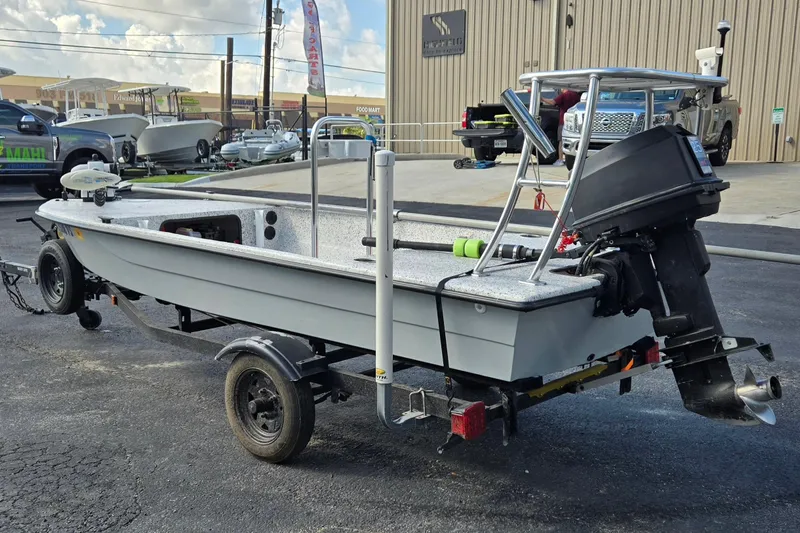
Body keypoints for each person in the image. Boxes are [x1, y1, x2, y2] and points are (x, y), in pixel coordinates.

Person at [542, 88, 581, 166]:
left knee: (561, 141)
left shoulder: (564, 95)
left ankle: (560, 159)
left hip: (563, 121)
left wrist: (542, 98)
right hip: (574, 121)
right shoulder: (577, 95)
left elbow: (553, 102)